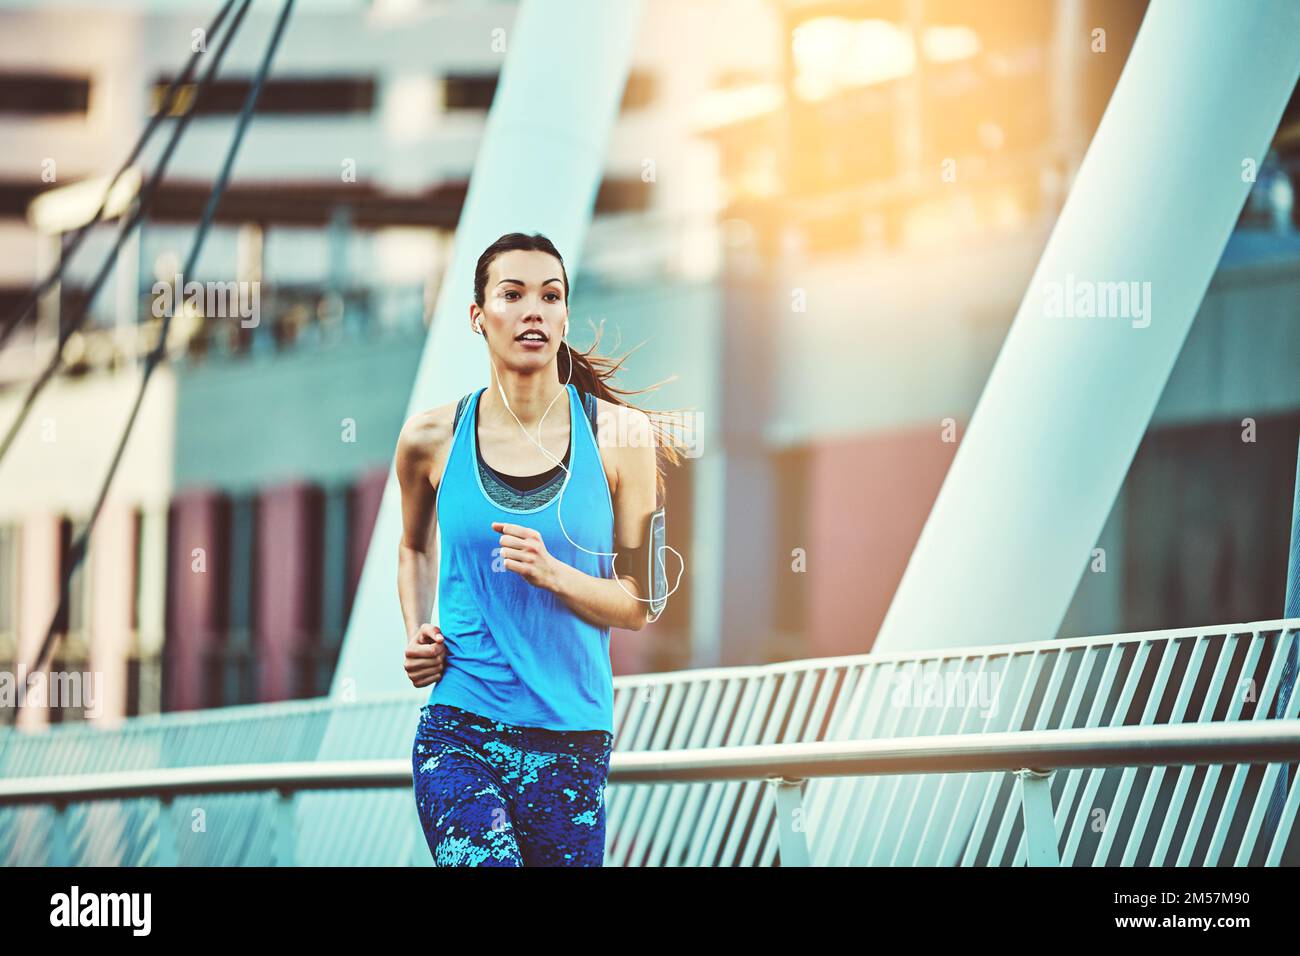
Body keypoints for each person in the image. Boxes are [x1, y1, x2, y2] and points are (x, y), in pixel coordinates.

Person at [396, 231, 685, 865]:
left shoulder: (620, 437)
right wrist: (419, 631)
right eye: (513, 294)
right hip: (461, 727)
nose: (534, 310)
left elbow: (642, 602)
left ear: (564, 316)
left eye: (550, 296)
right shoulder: (429, 439)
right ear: (478, 317)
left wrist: (555, 575)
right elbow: (414, 548)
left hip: (570, 737)